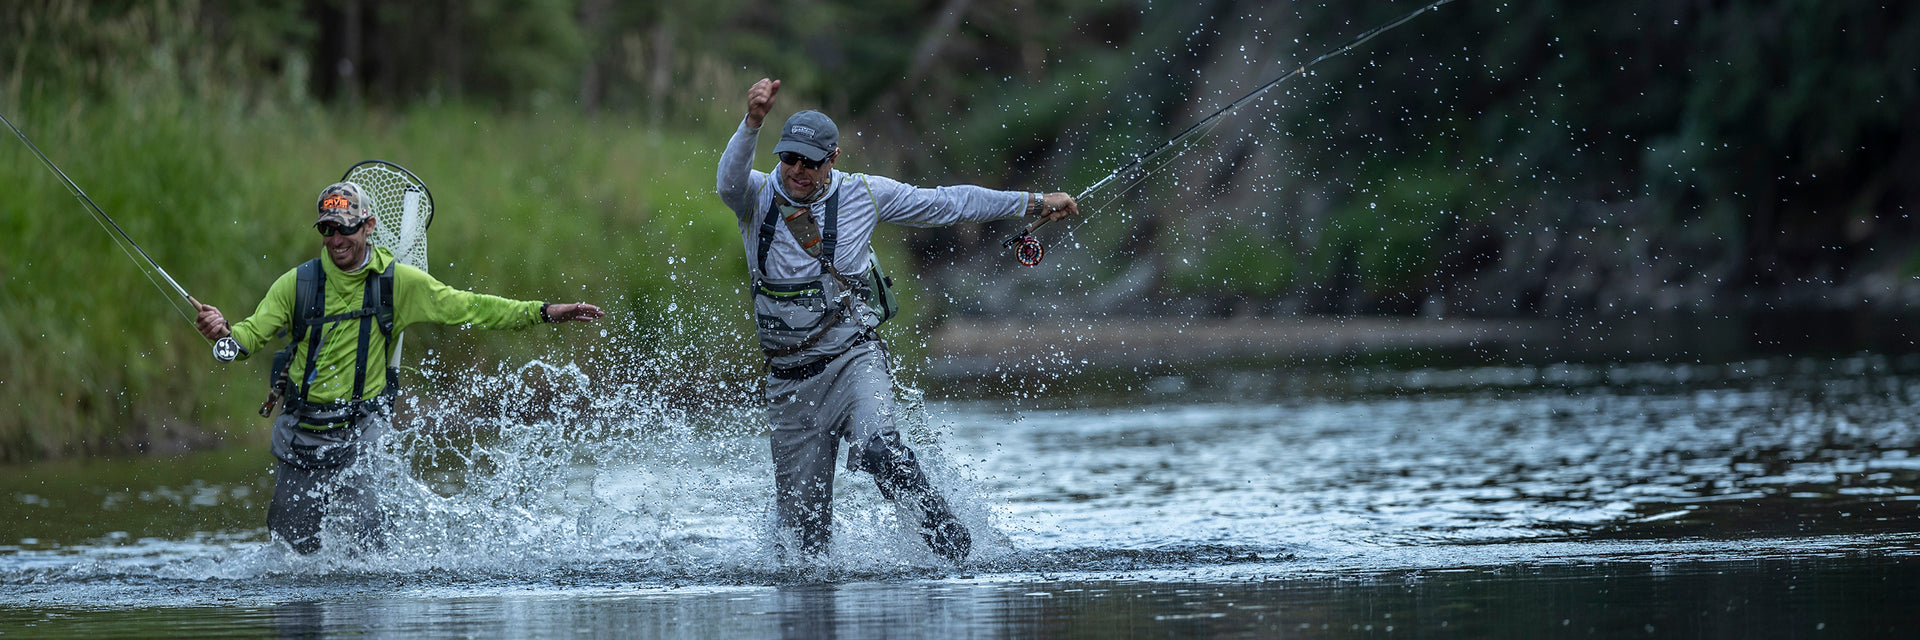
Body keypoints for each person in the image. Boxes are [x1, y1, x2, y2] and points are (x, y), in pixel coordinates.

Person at [714, 78, 1079, 562]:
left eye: (811, 162)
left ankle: (954, 552)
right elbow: (727, 182)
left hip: (852, 362)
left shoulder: (866, 195)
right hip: (788, 385)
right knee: (802, 547)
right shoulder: (755, 198)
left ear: (834, 158)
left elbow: (951, 203)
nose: (798, 171)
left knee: (881, 451)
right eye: (789, 159)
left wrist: (1032, 202)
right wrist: (752, 122)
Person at [191, 181, 605, 554]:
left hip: (361, 432)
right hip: (300, 431)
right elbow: (248, 338)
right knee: (291, 549)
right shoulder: (295, 284)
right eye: (327, 229)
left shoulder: (398, 284)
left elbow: (471, 307)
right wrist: (223, 332)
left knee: (368, 539)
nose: (336, 239)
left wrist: (546, 312)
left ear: (368, 226)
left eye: (346, 228)